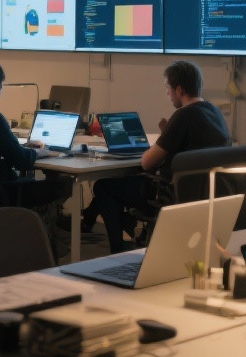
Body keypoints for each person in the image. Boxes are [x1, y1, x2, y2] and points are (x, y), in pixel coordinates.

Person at [85, 60, 233, 254]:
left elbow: (147, 162)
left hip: (171, 194)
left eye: (168, 88)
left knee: (103, 187)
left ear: (179, 90)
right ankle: (90, 222)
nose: (167, 93)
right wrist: (167, 135)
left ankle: (117, 250)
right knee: (118, 185)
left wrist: (162, 139)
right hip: (204, 193)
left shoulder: (183, 116)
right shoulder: (214, 112)